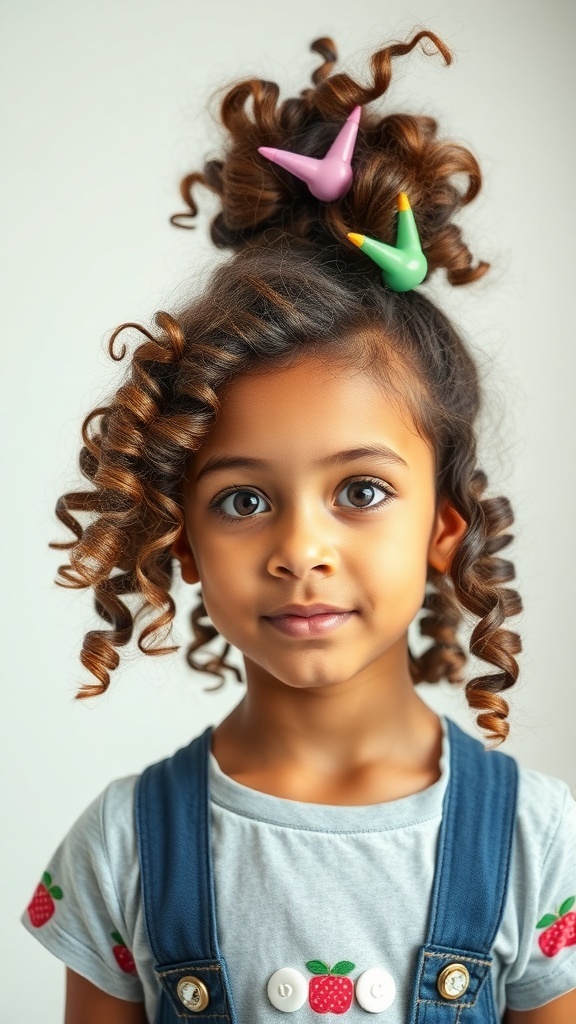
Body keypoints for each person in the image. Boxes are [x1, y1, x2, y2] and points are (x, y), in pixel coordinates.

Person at [21, 28, 576, 1024]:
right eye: (242, 499)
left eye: (360, 491)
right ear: (180, 540)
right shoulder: (123, 845)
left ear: (444, 529)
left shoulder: (543, 842)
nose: (300, 548)